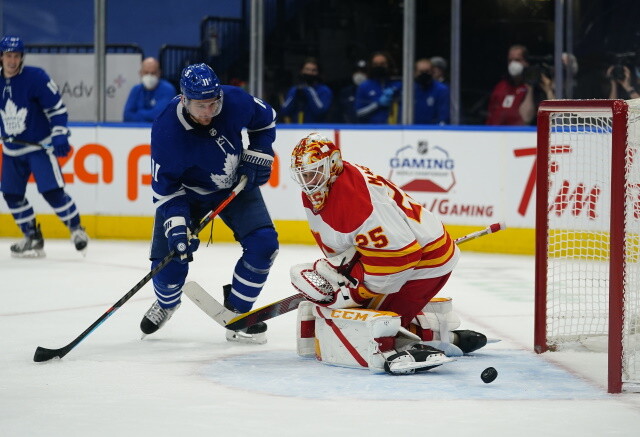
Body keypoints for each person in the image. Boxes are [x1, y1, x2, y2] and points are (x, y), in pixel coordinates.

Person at [288, 133, 487, 374]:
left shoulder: (356, 204)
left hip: (425, 262)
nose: (307, 181)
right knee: (359, 316)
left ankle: (432, 338)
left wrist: (354, 292)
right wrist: (340, 268)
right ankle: (439, 334)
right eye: (303, 174)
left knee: (373, 329)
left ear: (333, 164)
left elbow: (402, 260)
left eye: (312, 172)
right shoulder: (331, 183)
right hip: (397, 251)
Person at [140, 63, 279, 345]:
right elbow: (166, 190)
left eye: (213, 104)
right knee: (170, 264)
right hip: (186, 195)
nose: (208, 112)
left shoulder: (234, 100)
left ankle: (239, 312)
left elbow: (266, 120)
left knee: (264, 244)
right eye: (200, 106)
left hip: (235, 185)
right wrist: (178, 225)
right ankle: (167, 303)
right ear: (184, 99)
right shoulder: (166, 131)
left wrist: (260, 151)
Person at [0, 35, 89, 258]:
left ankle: (76, 229)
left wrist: (59, 135)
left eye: (16, 56)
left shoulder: (36, 77)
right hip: (11, 149)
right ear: (1, 57)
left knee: (51, 191)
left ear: (21, 58)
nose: (12, 60)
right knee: (11, 194)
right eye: (8, 56)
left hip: (38, 146)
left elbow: (57, 109)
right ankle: (32, 236)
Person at [486, 44, 535, 125]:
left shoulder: (531, 88)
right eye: (510, 60)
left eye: (517, 60)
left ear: (526, 62)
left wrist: (530, 86)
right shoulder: (501, 86)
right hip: (495, 134)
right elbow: (491, 114)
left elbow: (526, 118)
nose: (513, 64)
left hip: (518, 135)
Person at [280, 57, 333, 123]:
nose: (310, 73)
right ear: (301, 71)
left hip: (317, 129)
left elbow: (320, 112)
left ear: (318, 73)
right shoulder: (294, 89)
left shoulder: (324, 90)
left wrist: (309, 91)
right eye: (307, 69)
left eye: (313, 70)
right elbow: (284, 111)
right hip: (296, 129)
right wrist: (295, 93)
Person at [123, 57, 176, 122]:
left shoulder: (168, 89)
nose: (149, 76)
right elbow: (127, 115)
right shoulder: (135, 89)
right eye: (146, 72)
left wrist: (139, 112)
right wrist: (149, 115)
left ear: (159, 73)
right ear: (140, 73)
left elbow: (160, 115)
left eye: (153, 73)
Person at [355, 51, 402, 124]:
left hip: (395, 130)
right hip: (372, 130)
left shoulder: (399, 85)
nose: (379, 66)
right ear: (371, 66)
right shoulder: (364, 86)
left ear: (388, 65)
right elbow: (359, 113)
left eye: (382, 64)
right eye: (375, 64)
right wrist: (378, 104)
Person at [413, 58, 450, 125]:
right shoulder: (410, 90)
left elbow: (443, 115)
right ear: (415, 73)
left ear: (432, 72)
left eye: (427, 71)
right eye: (421, 72)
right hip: (411, 130)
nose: (424, 74)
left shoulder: (441, 90)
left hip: (433, 130)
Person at [334, 59, 367, 123]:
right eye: (357, 71)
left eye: (363, 71)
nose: (360, 74)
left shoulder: (372, 91)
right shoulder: (345, 92)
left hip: (368, 129)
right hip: (349, 129)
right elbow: (338, 114)